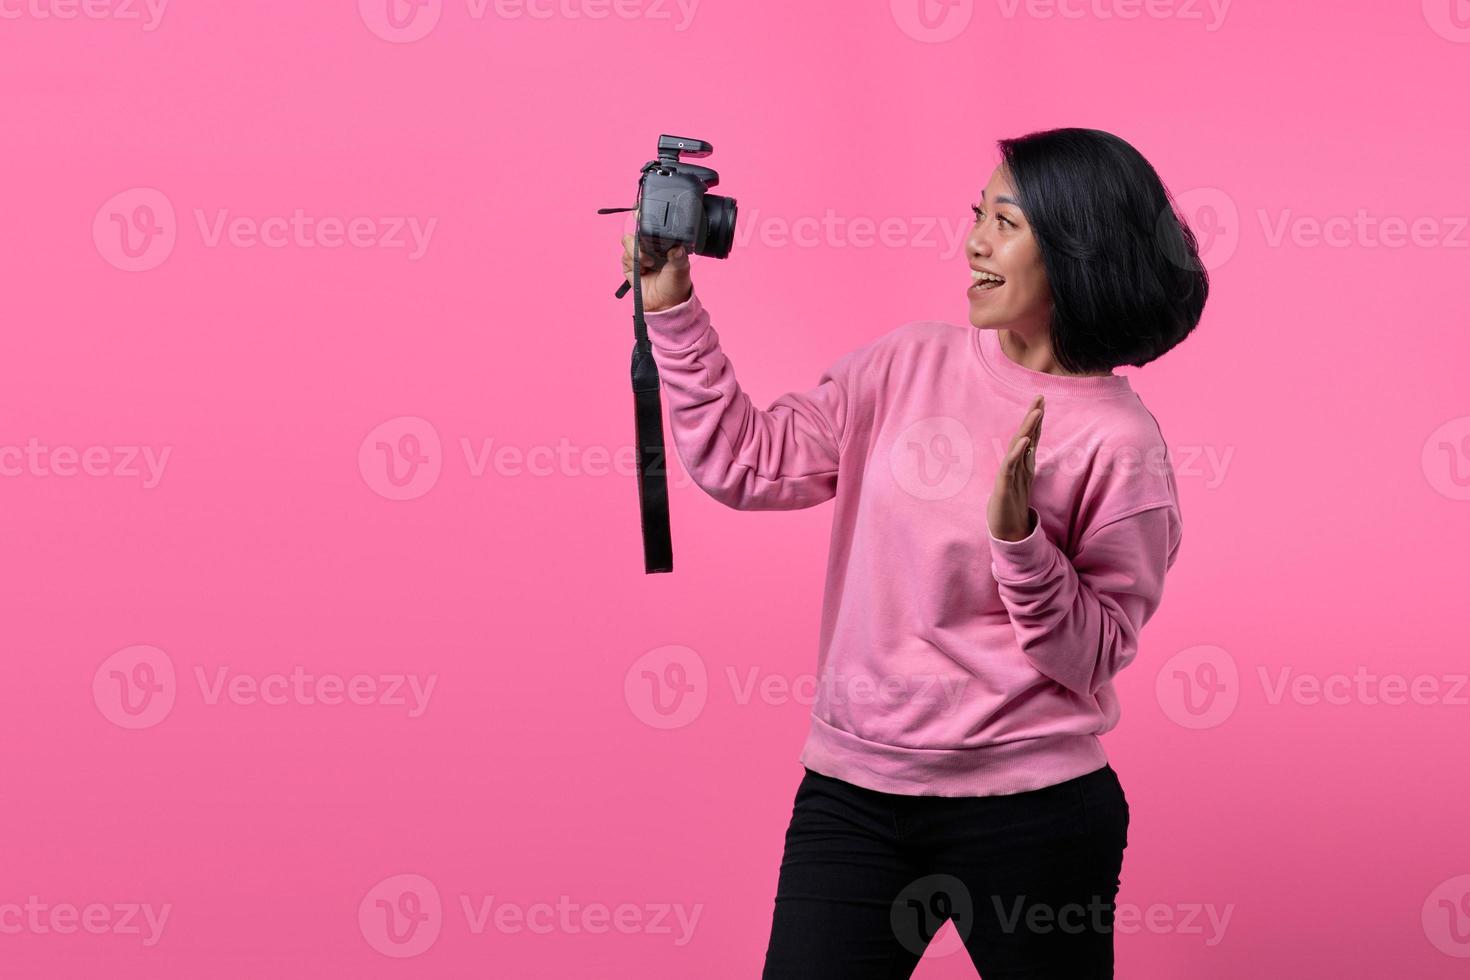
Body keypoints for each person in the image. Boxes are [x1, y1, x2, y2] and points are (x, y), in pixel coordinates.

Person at [619, 126, 1207, 979]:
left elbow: (1093, 655)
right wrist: (671, 307)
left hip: (1033, 812)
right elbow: (744, 462)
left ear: (1077, 245)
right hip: (854, 797)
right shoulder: (905, 363)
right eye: (978, 215)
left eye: (1006, 222)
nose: (973, 240)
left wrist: (1021, 541)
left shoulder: (1122, 445)